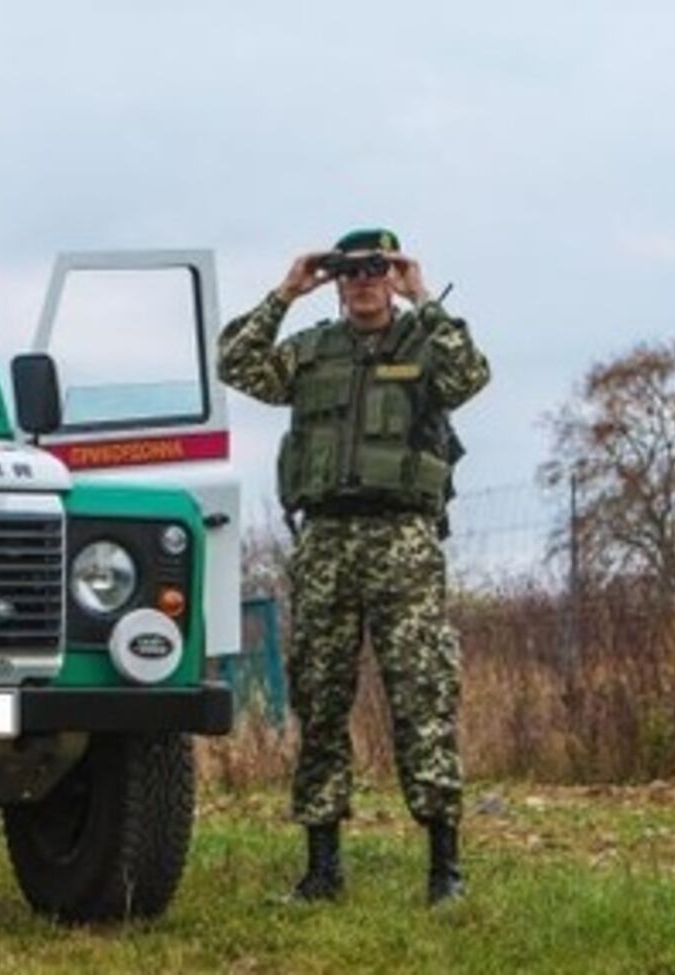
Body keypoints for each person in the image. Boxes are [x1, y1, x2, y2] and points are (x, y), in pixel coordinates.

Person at [217, 228, 490, 905]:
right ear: (336, 282)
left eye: (376, 268)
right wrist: (286, 292)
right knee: (319, 694)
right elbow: (235, 363)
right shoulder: (313, 351)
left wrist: (423, 296)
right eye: (351, 271)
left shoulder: (425, 343)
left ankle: (445, 870)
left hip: (403, 538)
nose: (364, 280)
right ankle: (322, 870)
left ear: (392, 275)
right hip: (326, 541)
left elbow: (470, 377)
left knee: (422, 693)